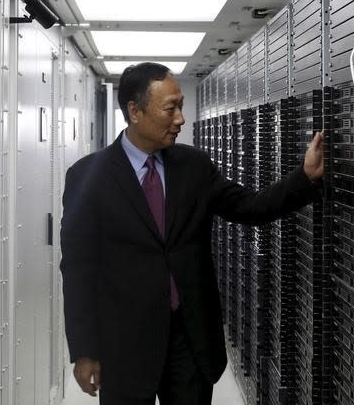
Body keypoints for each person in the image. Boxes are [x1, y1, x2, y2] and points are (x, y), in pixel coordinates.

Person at [60, 62, 324, 405]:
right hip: (124, 342)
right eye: (170, 108)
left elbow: (250, 207)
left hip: (190, 338)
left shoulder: (194, 166)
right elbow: (78, 270)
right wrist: (84, 351)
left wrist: (304, 177)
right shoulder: (88, 176)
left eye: (180, 105)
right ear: (135, 112)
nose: (181, 119)